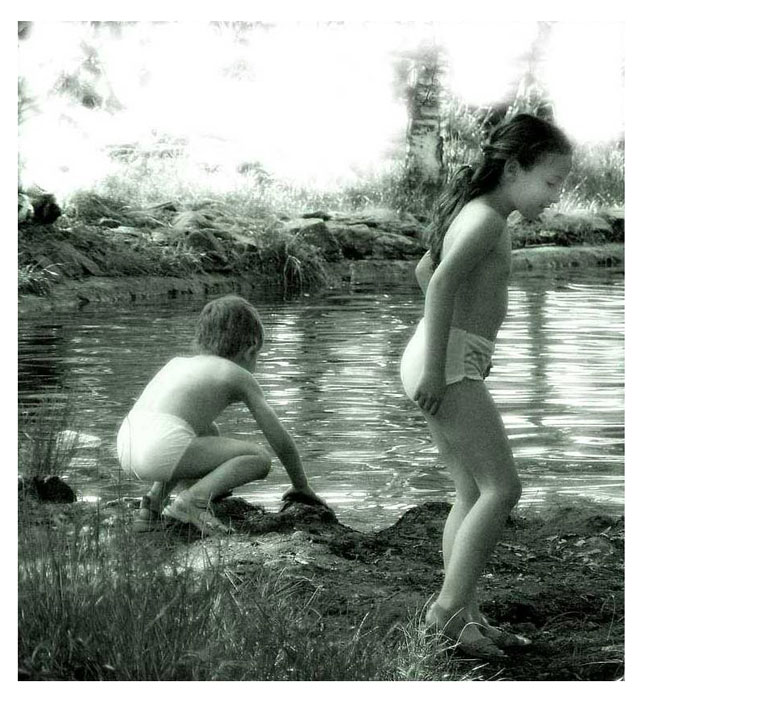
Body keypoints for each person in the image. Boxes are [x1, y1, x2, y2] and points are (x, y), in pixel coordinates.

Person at [400, 113, 572, 660]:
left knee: (471, 491)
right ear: (514, 168)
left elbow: (424, 271)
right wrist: (440, 365)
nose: (555, 196)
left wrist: (467, 345)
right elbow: (440, 283)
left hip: (447, 356)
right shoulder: (487, 221)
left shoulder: (476, 213)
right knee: (503, 489)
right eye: (550, 182)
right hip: (443, 362)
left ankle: (467, 615)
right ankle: (447, 611)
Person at [117, 294, 327, 535]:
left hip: (127, 446)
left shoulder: (176, 363)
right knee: (259, 458)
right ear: (250, 349)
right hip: (161, 449)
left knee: (208, 430)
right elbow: (279, 438)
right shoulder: (236, 374)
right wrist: (301, 485)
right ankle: (192, 501)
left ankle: (152, 505)